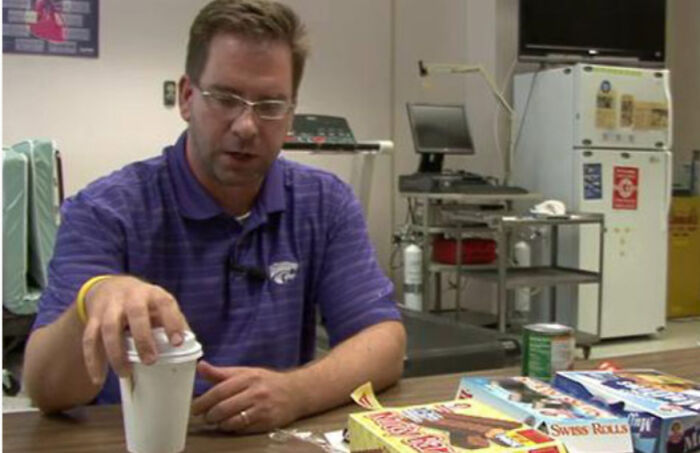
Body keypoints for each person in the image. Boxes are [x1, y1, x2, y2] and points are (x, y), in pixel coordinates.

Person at [22, 0, 406, 433]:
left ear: (290, 113)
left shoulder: (325, 203)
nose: (246, 126)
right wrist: (93, 297)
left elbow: (384, 341)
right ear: (187, 97)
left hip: (274, 439)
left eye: (270, 105)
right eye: (225, 98)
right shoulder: (105, 211)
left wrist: (296, 392)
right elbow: (46, 390)